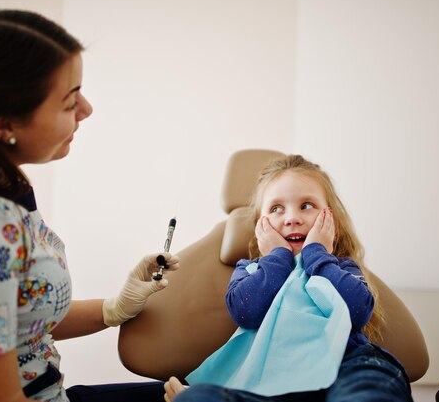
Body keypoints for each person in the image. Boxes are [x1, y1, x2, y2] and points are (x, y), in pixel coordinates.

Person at [0, 9, 179, 402]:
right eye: (70, 102)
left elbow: (15, 319)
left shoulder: (5, 190)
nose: (86, 110)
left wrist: (113, 309)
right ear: (5, 125)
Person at [163, 154, 413, 402]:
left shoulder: (341, 267)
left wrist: (317, 254)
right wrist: (277, 256)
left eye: (306, 206)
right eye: (276, 209)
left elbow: (357, 311)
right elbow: (246, 312)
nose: (292, 218)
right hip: (273, 379)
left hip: (348, 364)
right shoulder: (250, 270)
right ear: (260, 226)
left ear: (330, 220)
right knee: (197, 397)